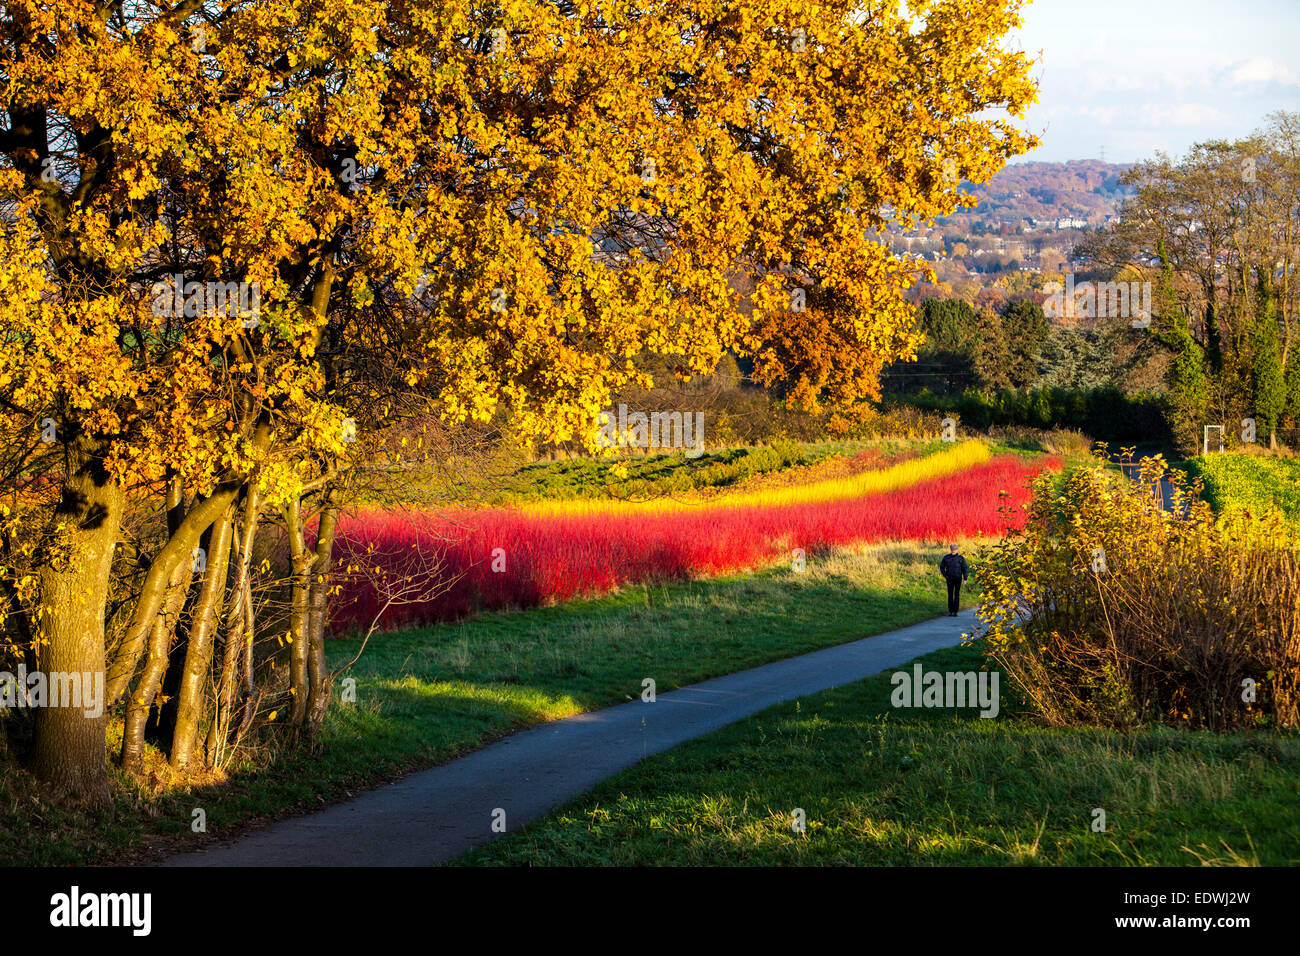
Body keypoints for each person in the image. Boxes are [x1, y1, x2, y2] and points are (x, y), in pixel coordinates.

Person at [939, 543, 968, 617]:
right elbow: (942, 567)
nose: (953, 551)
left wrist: (965, 578)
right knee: (950, 595)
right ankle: (950, 611)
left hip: (958, 578)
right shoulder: (946, 557)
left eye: (954, 550)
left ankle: (955, 611)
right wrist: (945, 575)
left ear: (957, 550)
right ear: (950, 550)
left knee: (956, 595)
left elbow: (965, 568)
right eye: (952, 550)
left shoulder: (961, 558)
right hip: (949, 579)